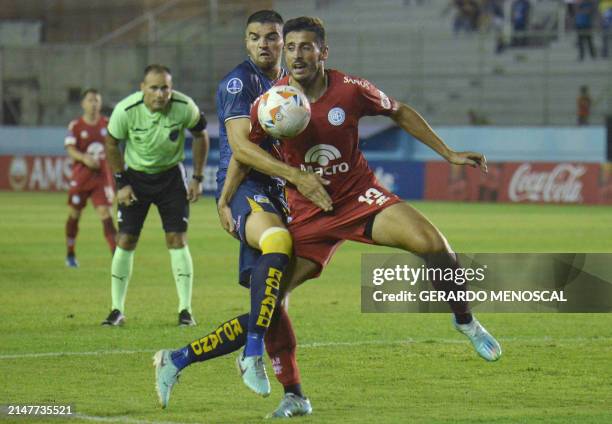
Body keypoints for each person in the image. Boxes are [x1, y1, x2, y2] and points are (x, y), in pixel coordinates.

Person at [244, 16, 502, 365]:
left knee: (436, 246)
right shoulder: (272, 103)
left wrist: (449, 153)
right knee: (271, 299)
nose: (297, 55)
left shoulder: (350, 88)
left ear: (323, 52)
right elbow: (246, 152)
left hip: (360, 198)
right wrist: (226, 200)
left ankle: (466, 322)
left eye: (306, 46)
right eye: (290, 48)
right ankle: (288, 387)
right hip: (308, 210)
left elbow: (399, 110)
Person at [153, 10, 330, 418]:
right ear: (246, 43)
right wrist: (224, 197)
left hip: (278, 192)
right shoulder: (240, 82)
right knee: (277, 244)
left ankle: (177, 360)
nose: (264, 45)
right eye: (255, 38)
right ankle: (252, 354)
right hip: (247, 187)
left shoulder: (285, 84)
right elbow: (242, 148)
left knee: (270, 305)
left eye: (272, 38)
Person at [102, 64, 209, 327]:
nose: (161, 94)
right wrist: (121, 183)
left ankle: (185, 310)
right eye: (154, 88)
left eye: (165, 88)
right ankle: (117, 310)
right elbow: (111, 143)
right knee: (125, 240)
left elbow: (200, 135)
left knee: (177, 239)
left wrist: (196, 177)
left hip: (171, 178)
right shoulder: (125, 110)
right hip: (135, 179)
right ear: (143, 89)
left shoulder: (185, 106)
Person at [64, 89, 117, 267]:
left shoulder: (108, 124)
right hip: (81, 178)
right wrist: (84, 158)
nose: (93, 104)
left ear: (100, 104)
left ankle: (116, 257)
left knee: (106, 214)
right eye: (90, 100)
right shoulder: (76, 126)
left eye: (96, 100)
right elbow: (70, 148)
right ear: (83, 104)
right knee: (75, 214)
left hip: (102, 178)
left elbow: (115, 148)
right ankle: (70, 254)